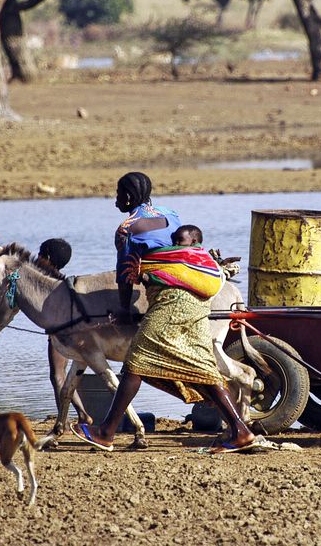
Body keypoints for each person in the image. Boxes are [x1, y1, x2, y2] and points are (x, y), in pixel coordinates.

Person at [71, 172, 255, 453]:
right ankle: (241, 431)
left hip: (171, 300)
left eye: (118, 194)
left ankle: (105, 432)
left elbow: (125, 275)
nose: (116, 200)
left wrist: (123, 310)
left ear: (129, 196)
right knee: (203, 366)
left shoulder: (126, 229)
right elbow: (182, 253)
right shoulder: (171, 214)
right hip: (197, 297)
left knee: (137, 360)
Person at [37, 238, 93, 429]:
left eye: (40, 254)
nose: (37, 257)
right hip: (71, 330)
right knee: (64, 375)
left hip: (61, 332)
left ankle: (71, 418)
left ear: (47, 257)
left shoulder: (49, 284)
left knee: (57, 376)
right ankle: (79, 415)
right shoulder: (62, 282)